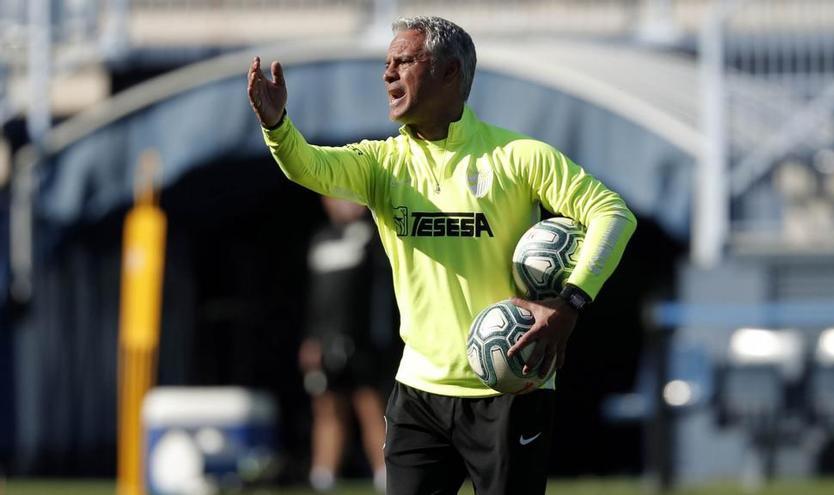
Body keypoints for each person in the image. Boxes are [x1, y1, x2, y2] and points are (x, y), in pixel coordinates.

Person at [248, 16, 637, 494]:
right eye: (386, 63)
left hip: (512, 387)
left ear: (450, 73)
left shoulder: (518, 156)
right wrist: (276, 126)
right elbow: (310, 167)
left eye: (404, 61)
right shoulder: (382, 163)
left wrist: (571, 303)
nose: (388, 73)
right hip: (419, 395)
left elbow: (613, 214)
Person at [299, 196, 394, 493]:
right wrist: (311, 339)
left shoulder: (374, 234)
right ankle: (323, 474)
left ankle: (384, 472)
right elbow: (315, 297)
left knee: (369, 404)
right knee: (327, 407)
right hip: (324, 339)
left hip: (362, 339)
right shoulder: (320, 239)